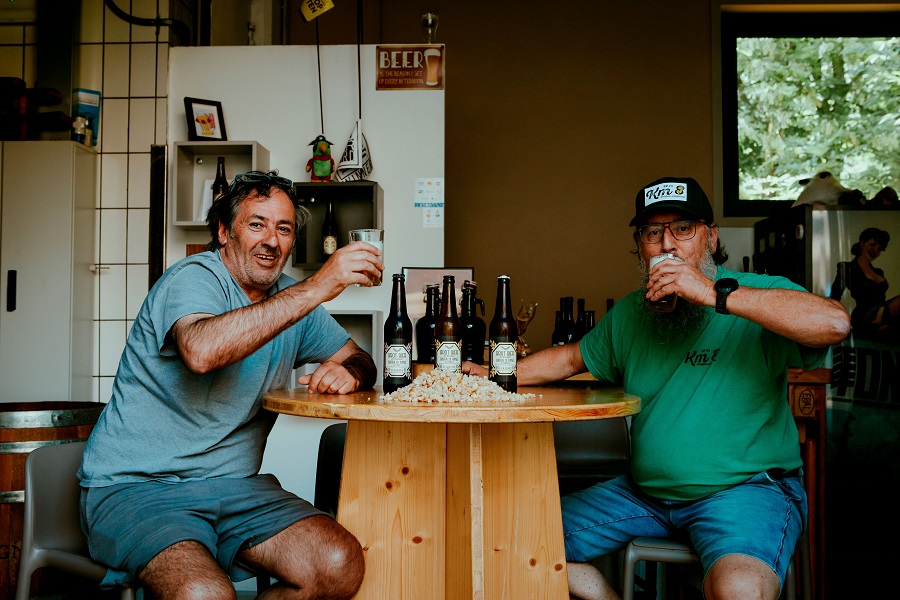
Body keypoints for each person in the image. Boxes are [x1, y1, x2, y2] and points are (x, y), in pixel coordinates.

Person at [463, 176, 850, 600]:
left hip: (745, 491)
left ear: (710, 236)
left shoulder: (758, 292)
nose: (667, 245)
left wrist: (711, 295)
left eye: (682, 229)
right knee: (504, 533)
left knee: (739, 590)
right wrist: (496, 375)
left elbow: (835, 323)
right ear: (641, 247)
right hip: (644, 495)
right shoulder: (632, 314)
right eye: (653, 233)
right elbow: (571, 358)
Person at [77, 171, 383, 600]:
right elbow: (202, 351)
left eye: (284, 228)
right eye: (256, 224)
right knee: (203, 593)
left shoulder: (293, 300)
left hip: (236, 488)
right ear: (224, 232)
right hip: (137, 487)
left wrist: (351, 372)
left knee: (337, 564)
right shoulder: (193, 279)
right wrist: (318, 285)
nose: (271, 241)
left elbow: (361, 357)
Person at [829, 227, 900, 342]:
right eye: (872, 244)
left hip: (881, 313)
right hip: (864, 315)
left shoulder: (878, 272)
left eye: (879, 248)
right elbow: (835, 296)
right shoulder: (847, 268)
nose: (875, 250)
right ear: (862, 243)